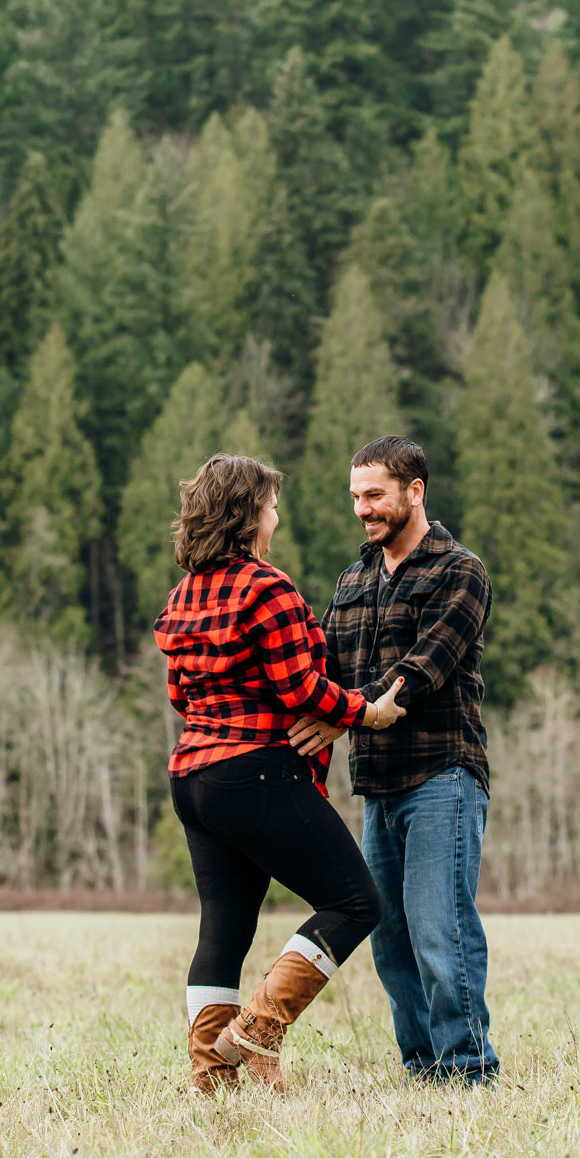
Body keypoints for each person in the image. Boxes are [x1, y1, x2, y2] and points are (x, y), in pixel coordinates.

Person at [153, 453, 408, 1093]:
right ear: (247, 516)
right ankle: (258, 1027)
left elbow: (181, 695)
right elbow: (303, 689)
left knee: (224, 926)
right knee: (354, 902)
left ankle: (212, 1076)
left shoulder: (183, 594)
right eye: (270, 505)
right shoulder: (267, 588)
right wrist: (367, 712)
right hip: (254, 771)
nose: (277, 515)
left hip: (194, 777)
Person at [289, 436, 498, 1083]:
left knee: (440, 929)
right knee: (392, 942)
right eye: (355, 496)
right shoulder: (352, 581)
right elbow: (319, 670)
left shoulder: (459, 572)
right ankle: (423, 1069)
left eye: (374, 494)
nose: (363, 509)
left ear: (415, 491)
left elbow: (421, 671)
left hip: (443, 776)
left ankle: (467, 1071)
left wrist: (338, 713)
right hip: (376, 785)